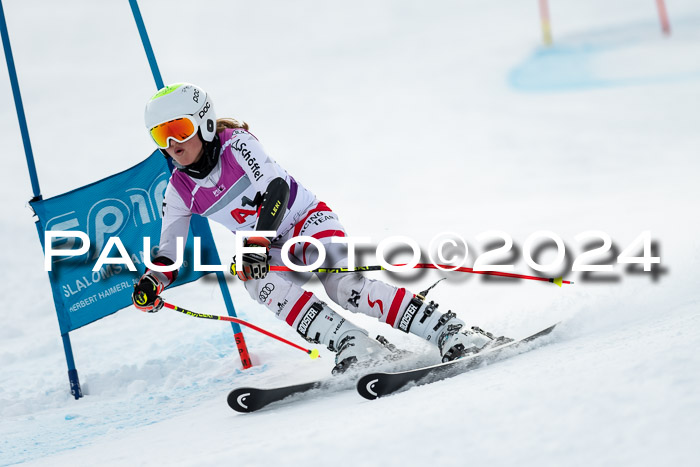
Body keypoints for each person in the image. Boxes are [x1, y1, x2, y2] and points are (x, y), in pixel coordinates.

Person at [132, 82, 509, 374]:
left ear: (205, 123)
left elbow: (275, 189)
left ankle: (451, 331)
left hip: (307, 221)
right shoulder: (179, 191)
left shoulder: (237, 146)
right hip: (271, 247)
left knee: (344, 287)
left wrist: (256, 242)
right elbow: (170, 250)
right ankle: (355, 345)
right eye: (160, 136)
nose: (172, 144)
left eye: (179, 129)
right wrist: (153, 281)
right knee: (255, 282)